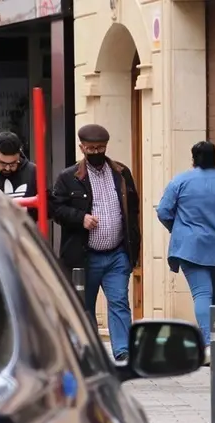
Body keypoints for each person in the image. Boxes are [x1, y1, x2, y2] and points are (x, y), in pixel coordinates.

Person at [49, 124, 141, 362]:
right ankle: (88, 351)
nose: (96, 152)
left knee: (119, 300)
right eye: (91, 148)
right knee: (84, 305)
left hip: (117, 253)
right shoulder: (68, 177)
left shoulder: (121, 173)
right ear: (82, 148)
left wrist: (134, 249)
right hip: (85, 255)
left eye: (100, 148)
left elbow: (133, 209)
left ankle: (123, 350)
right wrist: (81, 218)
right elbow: (56, 209)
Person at [156, 141, 215, 360]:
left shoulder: (180, 181)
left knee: (202, 293)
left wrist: (180, 231)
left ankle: (210, 345)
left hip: (191, 247)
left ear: (193, 158)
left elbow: (163, 211)